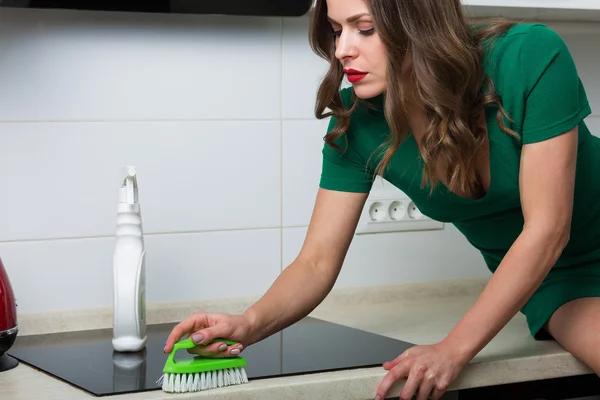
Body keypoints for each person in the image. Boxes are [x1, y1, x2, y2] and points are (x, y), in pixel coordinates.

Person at [164, 0, 600, 399]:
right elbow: (316, 262)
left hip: (549, 248)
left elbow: (547, 229)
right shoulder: (358, 125)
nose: (342, 50)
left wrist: (452, 348)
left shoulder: (528, 55)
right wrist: (249, 324)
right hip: (556, 284)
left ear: (420, 24)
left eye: (364, 29)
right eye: (337, 30)